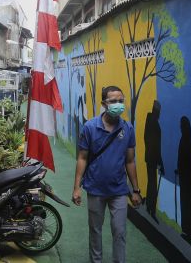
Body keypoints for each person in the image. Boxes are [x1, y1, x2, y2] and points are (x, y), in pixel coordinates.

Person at [72, 85, 142, 263]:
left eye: (120, 100)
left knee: (119, 231)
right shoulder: (90, 127)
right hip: (95, 189)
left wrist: (136, 190)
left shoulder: (127, 128)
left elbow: (130, 161)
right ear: (104, 103)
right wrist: (76, 188)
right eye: (113, 101)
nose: (118, 104)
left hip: (119, 189)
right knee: (95, 230)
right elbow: (82, 158)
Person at [176, 116, 191, 243]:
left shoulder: (185, 141)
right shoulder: (187, 140)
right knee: (188, 207)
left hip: (187, 182)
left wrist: (180, 171)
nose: (180, 127)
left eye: (181, 124)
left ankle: (188, 233)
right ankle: (188, 233)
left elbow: (185, 162)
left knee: (187, 206)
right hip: (188, 181)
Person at [144, 100, 163, 220]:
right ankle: (151, 208)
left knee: (151, 182)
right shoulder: (154, 123)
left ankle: (149, 206)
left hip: (149, 157)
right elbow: (156, 145)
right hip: (153, 158)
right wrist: (160, 162)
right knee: (153, 184)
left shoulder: (149, 121)